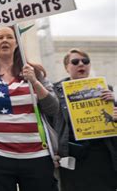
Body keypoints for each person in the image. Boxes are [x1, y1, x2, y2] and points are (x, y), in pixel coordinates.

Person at [0, 26, 59, 191]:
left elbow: (53, 108)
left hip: (37, 155)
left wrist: (35, 83)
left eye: (9, 37)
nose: (5, 40)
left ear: (17, 43)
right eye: (0, 38)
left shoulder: (33, 72)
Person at [53, 48, 117, 191]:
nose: (81, 64)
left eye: (85, 61)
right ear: (66, 68)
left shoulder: (106, 89)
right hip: (73, 155)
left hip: (102, 155)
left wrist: (115, 102)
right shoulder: (55, 91)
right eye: (75, 62)